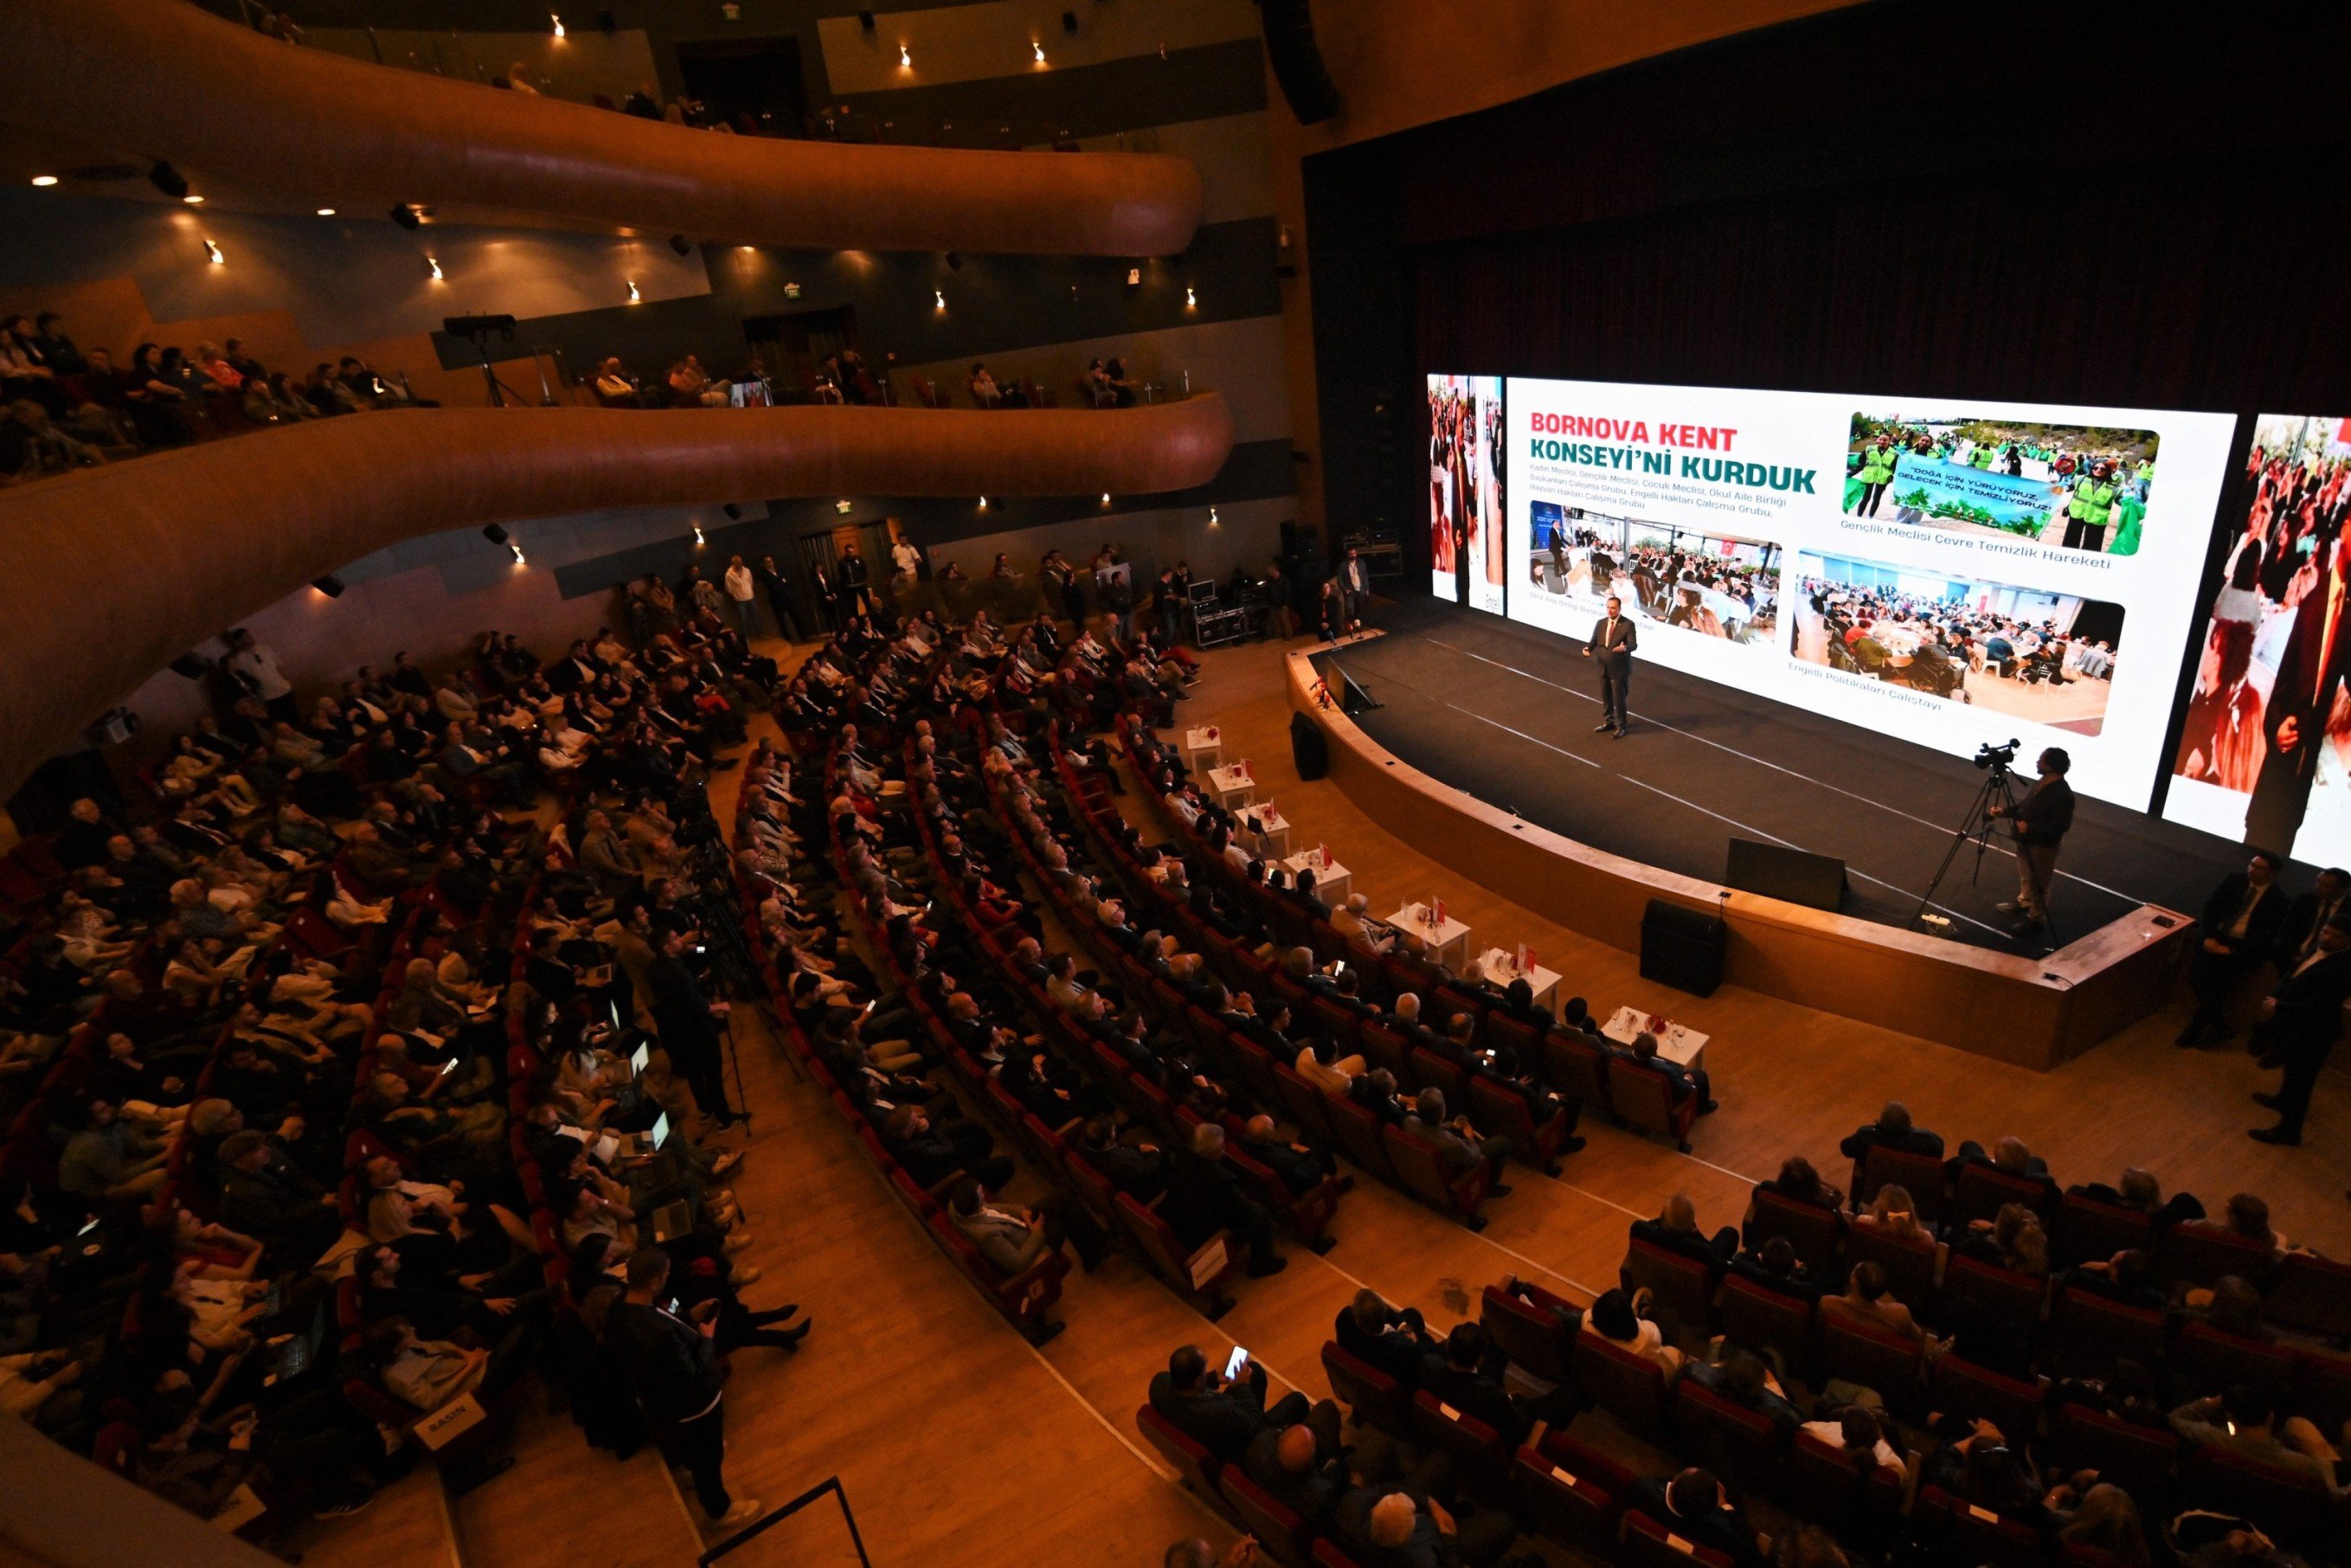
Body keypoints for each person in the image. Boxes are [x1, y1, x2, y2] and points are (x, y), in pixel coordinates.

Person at [603, 1249, 761, 1531]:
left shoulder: (619, 1307)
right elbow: (691, 1373)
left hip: (659, 1401)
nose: (668, 1277)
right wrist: (707, 1338)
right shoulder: (657, 1335)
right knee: (709, 1456)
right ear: (654, 1281)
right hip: (696, 1406)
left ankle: (690, 1468)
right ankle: (719, 1511)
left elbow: (665, 1311)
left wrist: (688, 1314)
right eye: (665, 1274)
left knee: (693, 1449)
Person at [2248, 913, 2351, 1145]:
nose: (2327, 938)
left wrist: (2280, 1006)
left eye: (2337, 936)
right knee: (2291, 1074)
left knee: (2301, 1084)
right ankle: (2282, 1100)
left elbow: (2322, 1003)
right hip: (2294, 1023)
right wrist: (2277, 997)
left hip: (2314, 1031)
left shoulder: (2346, 967)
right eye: (2326, 931)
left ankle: (2289, 1132)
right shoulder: (2320, 947)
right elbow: (2294, 974)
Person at [2180, 850, 2290, 1048]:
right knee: (2195, 978)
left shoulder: (2278, 900)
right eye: (2252, 864)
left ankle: (2195, 1030)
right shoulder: (2234, 881)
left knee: (2217, 988)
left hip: (2241, 949)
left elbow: (2265, 936)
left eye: (2259, 868)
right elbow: (2211, 908)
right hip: (2217, 936)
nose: (2252, 870)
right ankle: (2220, 1026)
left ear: (2272, 873)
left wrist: (2232, 951)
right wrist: (2209, 937)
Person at [647, 928, 736, 1128]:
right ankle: (725, 1119)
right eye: (676, 938)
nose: (681, 938)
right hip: (698, 1027)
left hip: (678, 1027)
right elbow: (695, 1005)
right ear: (667, 947)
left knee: (694, 1072)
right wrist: (719, 1006)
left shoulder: (654, 967)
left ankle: (706, 1109)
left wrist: (696, 949)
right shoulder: (678, 972)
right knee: (712, 1072)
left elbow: (701, 953)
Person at [1988, 747, 2073, 932]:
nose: (2037, 762)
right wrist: (2004, 812)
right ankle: (2025, 901)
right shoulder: (2042, 783)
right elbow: (2025, 806)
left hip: (2042, 846)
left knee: (2039, 882)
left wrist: (2031, 828)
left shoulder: (2062, 794)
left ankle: (2036, 918)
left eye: (2041, 760)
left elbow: (2061, 826)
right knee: (2027, 876)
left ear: (2050, 766)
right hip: (2026, 841)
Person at [1626, 1468, 1763, 1568]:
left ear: (1673, 1485)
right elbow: (1753, 1557)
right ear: (1712, 1508)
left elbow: (1658, 1482)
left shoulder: (1643, 1490)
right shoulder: (1720, 1532)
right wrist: (1725, 1506)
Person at [1583, 594, 1637, 737]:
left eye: (1613, 608)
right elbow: (1594, 640)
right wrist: (1588, 648)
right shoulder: (1601, 623)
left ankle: (1622, 726)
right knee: (1606, 697)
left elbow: (1633, 644)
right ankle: (1609, 721)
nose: (1610, 610)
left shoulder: (1628, 624)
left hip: (1619, 669)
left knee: (1619, 699)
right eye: (1608, 607)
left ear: (1619, 609)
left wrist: (1625, 648)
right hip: (1603, 667)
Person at [721, 556, 760, 641]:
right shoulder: (729, 575)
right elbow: (728, 588)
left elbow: (751, 582)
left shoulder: (747, 571)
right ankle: (746, 638)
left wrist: (749, 590)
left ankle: (760, 634)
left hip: (750, 597)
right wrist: (736, 594)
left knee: (755, 616)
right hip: (740, 600)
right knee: (743, 619)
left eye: (740, 561)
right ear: (733, 563)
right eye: (737, 562)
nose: (739, 563)